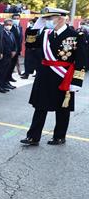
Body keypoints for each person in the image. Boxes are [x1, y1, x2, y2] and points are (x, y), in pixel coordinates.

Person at [20, 9, 87, 146]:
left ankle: (59, 136)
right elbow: (30, 44)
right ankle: (33, 136)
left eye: (51, 18)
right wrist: (35, 28)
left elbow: (81, 60)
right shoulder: (45, 34)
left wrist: (76, 81)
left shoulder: (75, 35)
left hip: (63, 76)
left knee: (63, 109)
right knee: (40, 107)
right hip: (44, 75)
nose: (48, 21)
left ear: (61, 18)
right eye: (47, 19)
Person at [0, 19, 16, 93]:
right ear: (4, 24)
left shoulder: (11, 33)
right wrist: (1, 52)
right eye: (7, 24)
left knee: (6, 71)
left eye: (10, 25)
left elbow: (14, 43)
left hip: (10, 55)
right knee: (0, 71)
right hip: (3, 55)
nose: (9, 26)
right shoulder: (2, 33)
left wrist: (14, 50)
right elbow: (1, 44)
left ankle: (4, 84)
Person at [8, 13, 23, 82]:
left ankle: (9, 76)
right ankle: (6, 78)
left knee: (13, 64)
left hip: (17, 50)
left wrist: (19, 49)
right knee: (8, 65)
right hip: (11, 49)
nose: (16, 20)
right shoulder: (10, 27)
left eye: (17, 18)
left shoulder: (20, 27)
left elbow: (20, 39)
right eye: (14, 18)